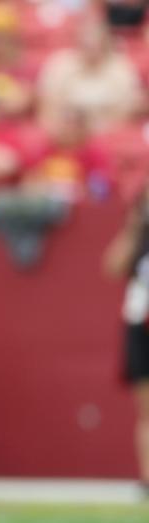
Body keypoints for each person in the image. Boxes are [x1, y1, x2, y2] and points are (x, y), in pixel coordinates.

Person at [104, 187, 149, 497]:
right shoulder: (139, 239)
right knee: (146, 409)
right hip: (141, 324)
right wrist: (134, 225)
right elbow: (112, 267)